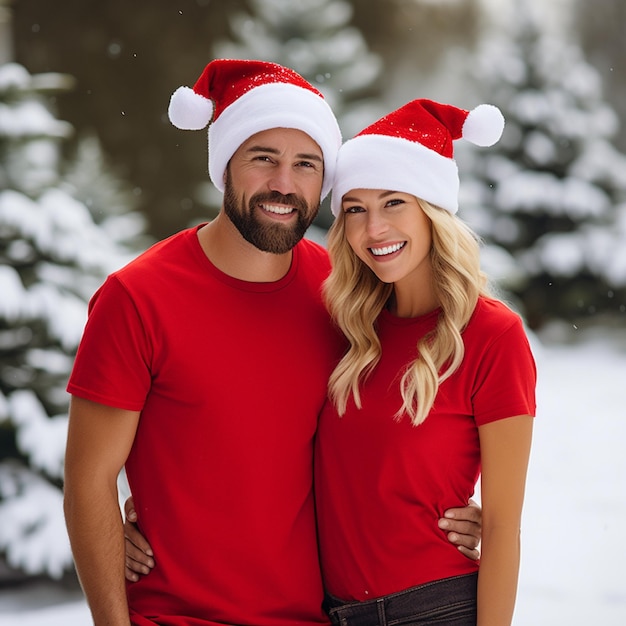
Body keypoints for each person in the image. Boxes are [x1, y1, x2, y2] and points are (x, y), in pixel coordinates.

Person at [64, 58, 482, 626]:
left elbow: (397, 423)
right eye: (264, 158)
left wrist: (451, 513)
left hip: (316, 617)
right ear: (225, 164)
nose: (284, 184)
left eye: (306, 164)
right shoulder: (137, 298)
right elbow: (87, 484)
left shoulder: (342, 293)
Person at [314, 99, 536, 625]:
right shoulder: (343, 328)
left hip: (432, 609)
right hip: (325, 611)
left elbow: (503, 526)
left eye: (394, 203)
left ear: (432, 208)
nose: (374, 230)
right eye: (354, 209)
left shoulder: (493, 337)